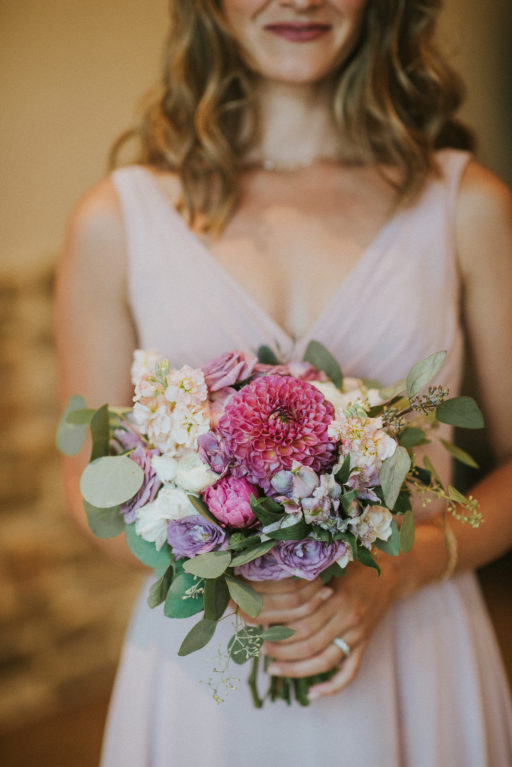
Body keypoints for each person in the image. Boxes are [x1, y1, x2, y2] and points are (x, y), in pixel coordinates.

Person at [56, 1, 512, 765]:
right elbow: (84, 486)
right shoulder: (116, 220)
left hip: (416, 652)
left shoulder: (466, 205)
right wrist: (223, 564)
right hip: (209, 676)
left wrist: (401, 568)